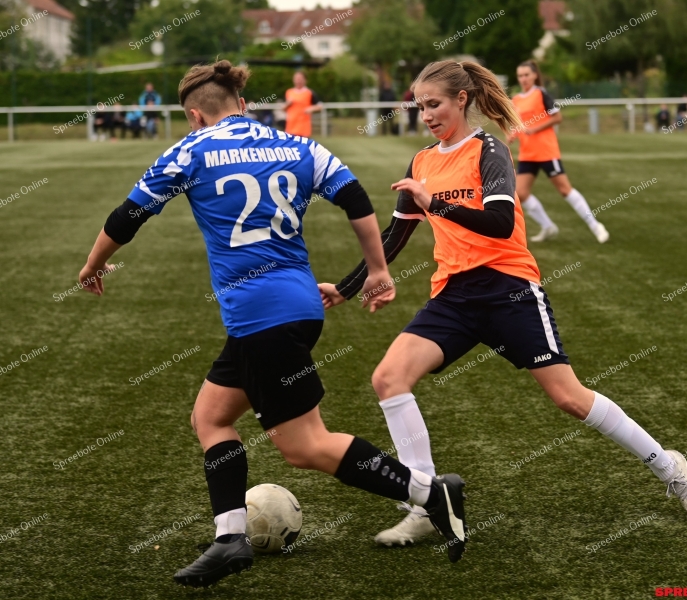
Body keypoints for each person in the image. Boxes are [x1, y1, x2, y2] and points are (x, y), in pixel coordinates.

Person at [76, 60, 468, 587]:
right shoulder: (296, 145)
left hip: (263, 317)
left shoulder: (192, 149)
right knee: (211, 417)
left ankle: (429, 492)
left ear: (196, 114)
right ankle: (230, 537)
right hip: (294, 308)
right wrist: (376, 268)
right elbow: (354, 197)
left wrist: (94, 264)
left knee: (305, 445)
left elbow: (130, 214)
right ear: (241, 103)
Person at [318, 59, 687, 548]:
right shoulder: (421, 161)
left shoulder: (490, 150)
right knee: (388, 378)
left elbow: (500, 224)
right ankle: (424, 501)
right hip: (454, 297)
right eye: (421, 107)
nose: (427, 115)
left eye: (434, 104)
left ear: (462, 99)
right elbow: (394, 236)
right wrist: (348, 285)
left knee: (569, 398)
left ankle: (670, 466)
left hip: (509, 290)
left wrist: (435, 202)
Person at [507, 60, 609, 244]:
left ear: (534, 75)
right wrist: (513, 134)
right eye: (520, 76)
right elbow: (519, 124)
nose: (523, 79)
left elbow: (557, 117)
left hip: (546, 151)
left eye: (526, 75)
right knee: (520, 193)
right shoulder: (516, 100)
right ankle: (548, 226)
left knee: (564, 190)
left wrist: (536, 129)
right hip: (527, 153)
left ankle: (595, 225)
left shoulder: (541, 93)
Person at [284, 71, 322, 137]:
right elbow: (283, 109)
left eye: (300, 79)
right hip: (290, 128)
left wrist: (311, 108)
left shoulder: (309, 93)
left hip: (304, 129)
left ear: (305, 80)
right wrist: (287, 104)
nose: (298, 81)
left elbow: (320, 106)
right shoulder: (289, 92)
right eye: (296, 79)